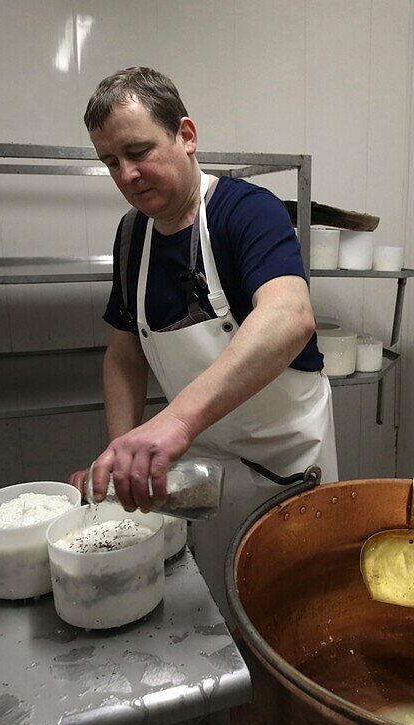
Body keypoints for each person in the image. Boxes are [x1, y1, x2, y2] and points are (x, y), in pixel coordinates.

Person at [68, 66, 338, 613]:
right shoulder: (132, 236)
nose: (127, 174)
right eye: (110, 163)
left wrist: (171, 423)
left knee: (294, 613)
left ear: (186, 136)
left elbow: (289, 317)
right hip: (202, 473)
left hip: (284, 465)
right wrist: (124, 457)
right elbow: (124, 353)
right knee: (218, 612)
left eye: (138, 151)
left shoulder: (248, 211)